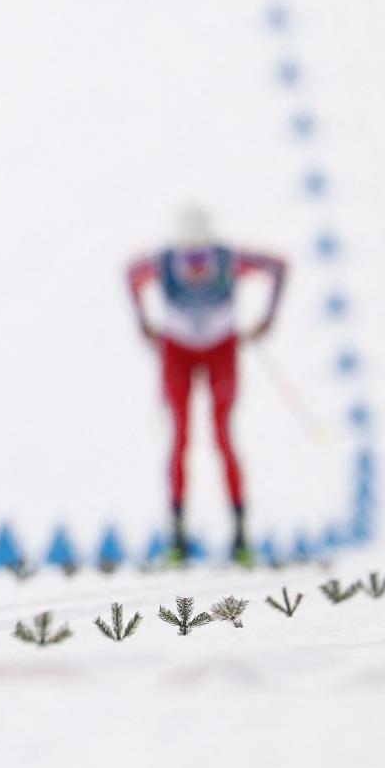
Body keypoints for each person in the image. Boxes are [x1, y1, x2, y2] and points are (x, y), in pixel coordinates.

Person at [127, 208, 286, 564]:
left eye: (202, 257)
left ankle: (240, 537)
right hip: (177, 353)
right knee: (180, 438)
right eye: (189, 257)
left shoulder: (230, 260)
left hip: (220, 351)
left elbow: (279, 267)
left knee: (222, 437)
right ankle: (177, 538)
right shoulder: (163, 263)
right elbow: (131, 274)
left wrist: (268, 320)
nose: (196, 267)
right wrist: (143, 323)